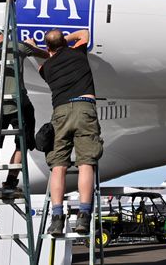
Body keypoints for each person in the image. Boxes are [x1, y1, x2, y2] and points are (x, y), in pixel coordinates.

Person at [37, 28, 103, 236]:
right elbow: (84, 33)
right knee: (86, 163)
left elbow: (44, 60)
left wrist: (42, 47)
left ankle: (57, 218)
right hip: (85, 107)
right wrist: (65, 41)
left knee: (58, 167)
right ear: (64, 43)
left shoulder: (45, 68)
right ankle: (84, 215)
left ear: (48, 49)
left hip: (61, 112)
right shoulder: (77, 52)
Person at [0, 30, 47, 199]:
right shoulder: (17, 46)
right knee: (21, 144)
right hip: (18, 104)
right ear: (2, 35)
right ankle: (10, 184)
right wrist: (33, 45)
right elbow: (44, 55)